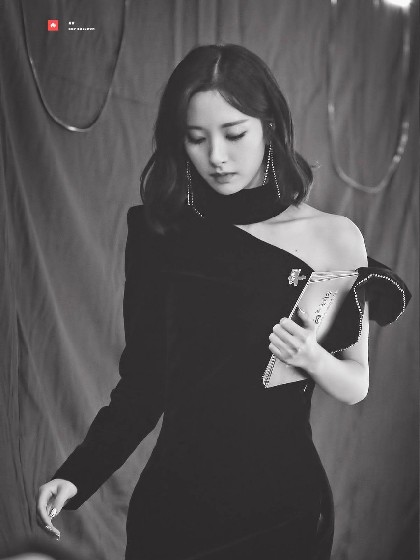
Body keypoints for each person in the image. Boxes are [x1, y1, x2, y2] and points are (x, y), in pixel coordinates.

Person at [36, 44, 410, 559]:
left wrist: (312, 359)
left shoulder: (334, 237)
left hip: (284, 514)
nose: (216, 156)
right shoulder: (159, 234)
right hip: (174, 513)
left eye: (234, 134)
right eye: (196, 138)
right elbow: (143, 384)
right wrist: (77, 475)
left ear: (269, 126)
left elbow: (356, 382)